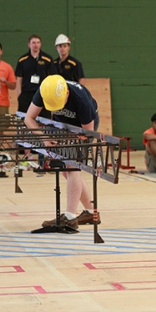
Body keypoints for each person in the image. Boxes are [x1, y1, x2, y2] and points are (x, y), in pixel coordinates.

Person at [24, 75, 100, 229]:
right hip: (62, 124)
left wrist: (76, 139)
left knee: (72, 167)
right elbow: (29, 118)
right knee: (67, 171)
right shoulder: (45, 89)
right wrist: (44, 138)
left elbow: (89, 132)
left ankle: (70, 217)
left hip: (82, 126)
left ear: (66, 94)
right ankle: (91, 212)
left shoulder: (81, 99)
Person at [16, 34, 53, 118]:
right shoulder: (22, 60)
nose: (36, 45)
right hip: (26, 94)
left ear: (40, 44)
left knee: (45, 121)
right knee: (23, 120)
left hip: (42, 94)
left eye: (38, 42)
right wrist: (19, 96)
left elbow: (51, 79)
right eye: (33, 43)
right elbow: (19, 79)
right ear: (29, 44)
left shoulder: (48, 59)